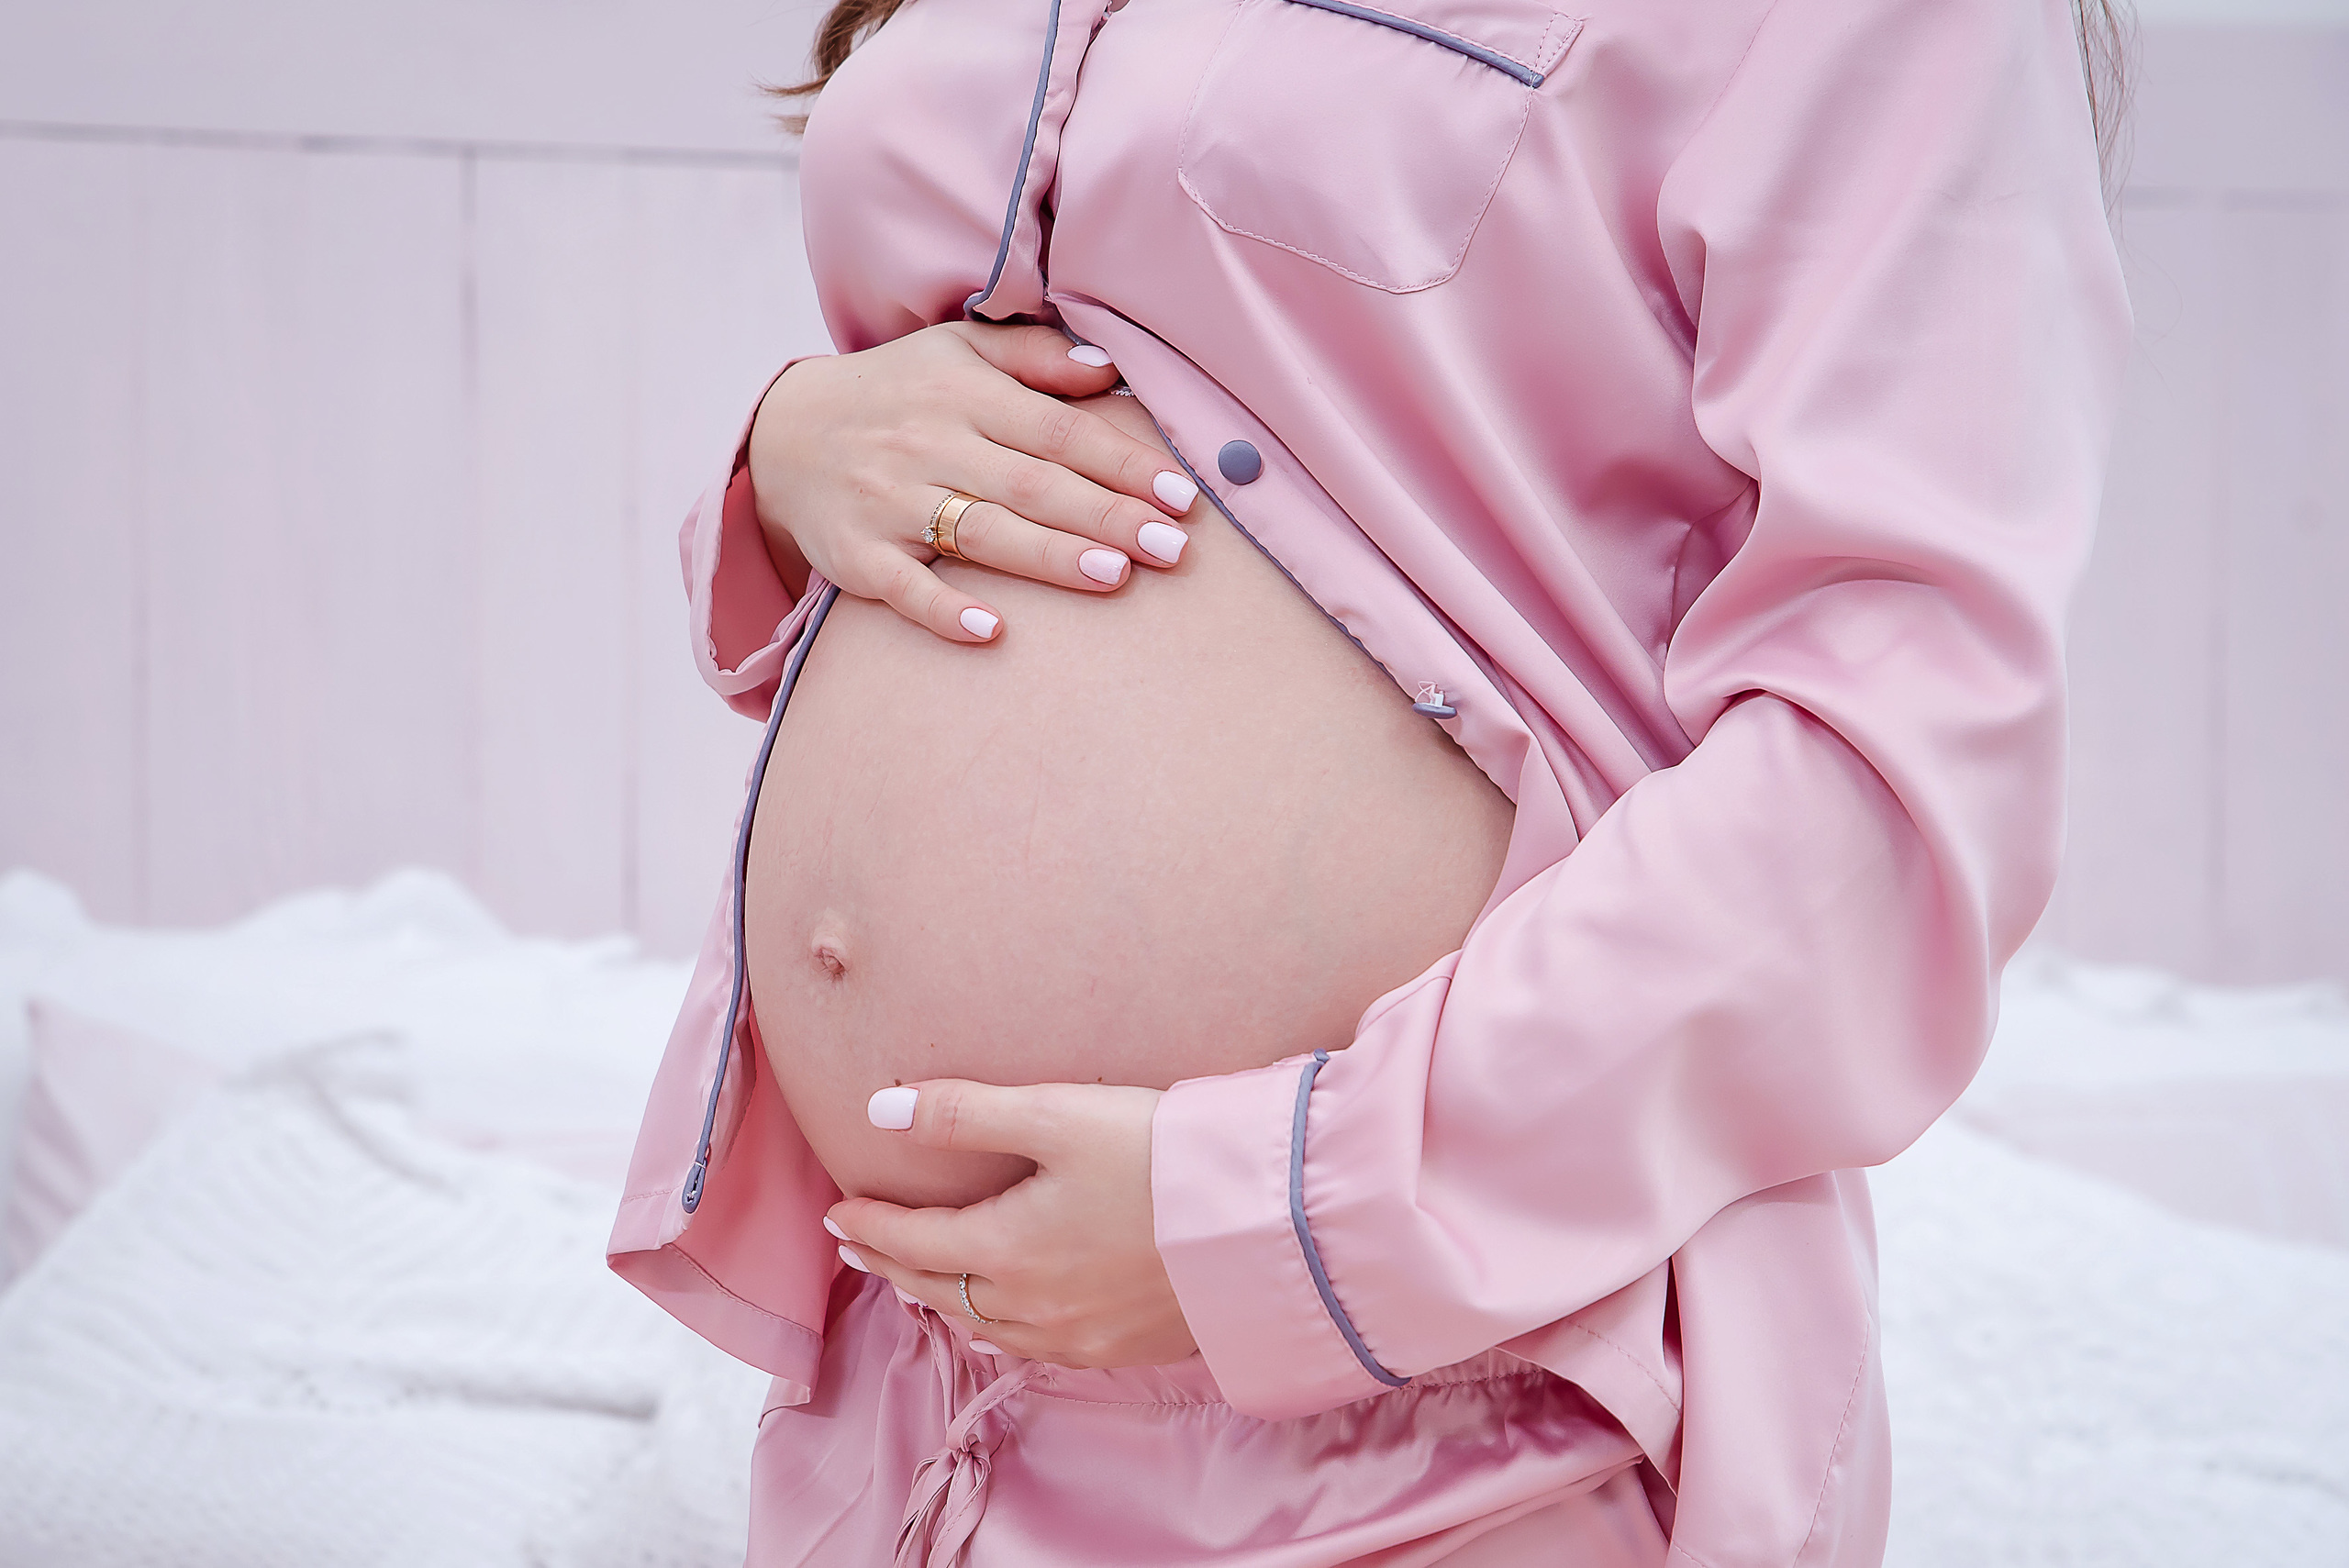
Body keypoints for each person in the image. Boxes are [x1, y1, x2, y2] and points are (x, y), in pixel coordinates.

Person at [608, 0, 2135, 1562]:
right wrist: (798, 455)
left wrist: (1277, 1206)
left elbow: (1889, 784)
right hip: (927, 1394)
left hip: (1446, 1404)